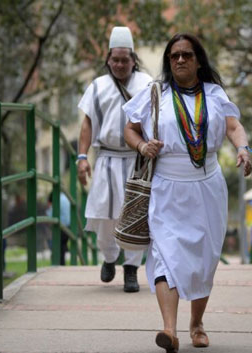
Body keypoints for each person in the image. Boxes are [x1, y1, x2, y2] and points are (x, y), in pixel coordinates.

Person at [123, 33, 252, 352]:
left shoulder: (214, 93)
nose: (180, 60)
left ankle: (196, 324)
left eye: (187, 55)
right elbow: (129, 128)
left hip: (208, 186)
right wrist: (142, 144)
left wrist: (244, 149)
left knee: (204, 260)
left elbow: (234, 126)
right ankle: (169, 330)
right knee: (165, 254)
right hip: (166, 187)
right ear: (168, 62)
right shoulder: (156, 94)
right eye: (174, 56)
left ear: (198, 60)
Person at [77, 26, 152, 292]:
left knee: (135, 215)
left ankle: (131, 269)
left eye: (125, 60)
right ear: (108, 59)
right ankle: (109, 258)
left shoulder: (146, 84)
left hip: (137, 160)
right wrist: (82, 157)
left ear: (133, 60)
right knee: (105, 218)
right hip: (107, 160)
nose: (120, 64)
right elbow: (87, 125)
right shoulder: (97, 86)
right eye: (115, 60)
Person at [46, 191, 70, 265]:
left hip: (60, 228)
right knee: (61, 249)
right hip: (68, 227)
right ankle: (61, 265)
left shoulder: (57, 200)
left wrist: (49, 208)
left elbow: (50, 215)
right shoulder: (65, 198)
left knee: (57, 250)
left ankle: (58, 265)